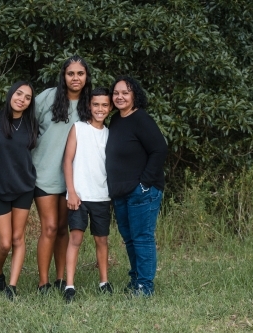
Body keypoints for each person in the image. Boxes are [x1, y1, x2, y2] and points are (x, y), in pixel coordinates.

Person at [32, 55, 92, 293]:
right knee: (49, 227)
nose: (75, 78)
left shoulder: (91, 103)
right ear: (63, 76)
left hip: (73, 179)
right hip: (44, 173)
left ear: (86, 77)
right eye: (71, 73)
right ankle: (43, 282)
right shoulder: (47, 97)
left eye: (80, 74)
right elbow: (27, 123)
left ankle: (60, 278)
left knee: (62, 229)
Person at [105, 76, 168, 296]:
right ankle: (136, 280)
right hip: (121, 192)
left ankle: (145, 286)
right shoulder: (115, 120)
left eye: (125, 92)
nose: (119, 97)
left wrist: (144, 183)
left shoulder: (141, 119)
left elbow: (159, 150)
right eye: (116, 93)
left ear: (134, 96)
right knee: (130, 238)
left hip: (142, 191)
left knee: (142, 237)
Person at [0, 80, 38, 300]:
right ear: (10, 94)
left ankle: (12, 287)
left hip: (23, 187)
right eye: (19, 94)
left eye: (27, 97)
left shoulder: (31, 124)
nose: (22, 100)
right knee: (4, 243)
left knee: (18, 238)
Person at [62, 87, 113, 303]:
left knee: (101, 239)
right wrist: (71, 191)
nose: (99, 109)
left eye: (104, 105)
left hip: (102, 195)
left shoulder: (111, 134)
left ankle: (104, 282)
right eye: (95, 104)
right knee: (76, 238)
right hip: (79, 196)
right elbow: (67, 161)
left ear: (110, 108)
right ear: (89, 106)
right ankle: (70, 285)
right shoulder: (78, 128)